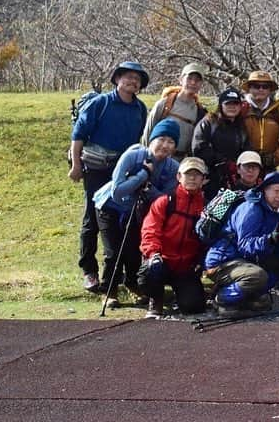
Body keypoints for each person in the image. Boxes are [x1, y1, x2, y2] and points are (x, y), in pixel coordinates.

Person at [68, 61, 149, 294]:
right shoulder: (100, 103)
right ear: (116, 79)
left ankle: (118, 273)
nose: (132, 81)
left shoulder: (140, 108)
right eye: (127, 77)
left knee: (121, 220)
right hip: (95, 167)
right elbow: (79, 134)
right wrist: (76, 164)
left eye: (137, 79)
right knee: (91, 219)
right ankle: (89, 271)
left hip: (122, 171)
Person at [92, 118, 180, 308]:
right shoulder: (133, 155)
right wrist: (143, 175)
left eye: (171, 142)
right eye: (161, 139)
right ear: (151, 139)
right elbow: (117, 191)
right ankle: (109, 290)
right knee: (113, 251)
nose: (165, 145)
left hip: (137, 210)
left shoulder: (173, 168)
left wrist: (150, 191)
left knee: (134, 251)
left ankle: (132, 284)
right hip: (109, 206)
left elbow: (165, 199)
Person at [204, 171, 279, 313]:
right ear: (265, 190)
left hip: (245, 261)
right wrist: (269, 240)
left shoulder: (278, 213)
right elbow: (244, 245)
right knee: (258, 276)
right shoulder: (252, 209)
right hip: (224, 260)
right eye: (277, 191)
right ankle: (222, 298)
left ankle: (249, 296)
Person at [137, 156, 209, 318]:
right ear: (178, 177)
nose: (192, 178)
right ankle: (156, 299)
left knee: (193, 307)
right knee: (148, 274)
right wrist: (153, 254)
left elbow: (209, 240)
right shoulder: (164, 202)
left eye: (197, 175)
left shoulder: (207, 207)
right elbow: (150, 231)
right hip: (161, 261)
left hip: (186, 267)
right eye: (188, 174)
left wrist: (202, 262)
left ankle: (180, 296)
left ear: (203, 180)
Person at [192, 87, 250, 201]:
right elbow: (198, 148)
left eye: (236, 104)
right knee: (213, 213)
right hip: (210, 179)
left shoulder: (241, 127)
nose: (232, 107)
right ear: (221, 105)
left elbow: (246, 150)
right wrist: (222, 161)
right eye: (228, 104)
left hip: (234, 179)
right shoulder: (209, 122)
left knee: (233, 211)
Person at [142, 63, 207, 159]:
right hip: (157, 158)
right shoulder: (164, 104)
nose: (193, 83)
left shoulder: (200, 112)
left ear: (201, 84)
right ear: (181, 79)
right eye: (189, 78)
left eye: (197, 80)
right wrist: (147, 159)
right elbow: (148, 133)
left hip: (182, 163)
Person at [242, 70, 279, 174]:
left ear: (270, 90)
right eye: (256, 86)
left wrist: (275, 158)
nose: (261, 89)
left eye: (265, 86)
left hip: (269, 168)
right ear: (249, 88)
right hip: (243, 167)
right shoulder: (240, 110)